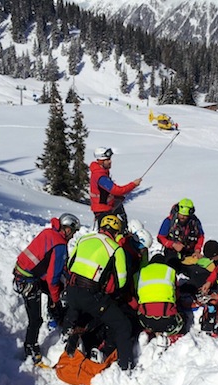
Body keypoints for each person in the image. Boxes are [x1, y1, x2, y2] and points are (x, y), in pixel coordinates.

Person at [62, 214, 135, 371]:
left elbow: (70, 263)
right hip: (90, 294)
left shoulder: (83, 239)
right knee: (123, 325)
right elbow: (121, 282)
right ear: (117, 232)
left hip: (71, 290)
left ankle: (69, 343)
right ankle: (125, 366)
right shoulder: (116, 249)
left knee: (78, 314)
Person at [13, 213, 81, 364]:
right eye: (73, 231)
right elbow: (52, 279)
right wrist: (56, 300)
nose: (73, 235)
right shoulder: (60, 245)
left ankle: (54, 315)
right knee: (36, 319)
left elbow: (45, 260)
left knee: (58, 288)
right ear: (67, 229)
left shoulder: (49, 233)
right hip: (27, 281)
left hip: (24, 273)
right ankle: (30, 347)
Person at [89, 147, 142, 229]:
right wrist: (133, 184)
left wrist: (117, 198)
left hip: (107, 208)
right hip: (103, 211)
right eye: (108, 160)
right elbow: (116, 190)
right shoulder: (100, 176)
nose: (110, 161)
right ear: (101, 161)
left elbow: (105, 192)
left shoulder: (101, 172)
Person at [135, 254, 184, 339]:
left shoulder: (142, 272)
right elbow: (177, 294)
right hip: (167, 319)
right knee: (182, 317)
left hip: (146, 320)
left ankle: (148, 332)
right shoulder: (170, 271)